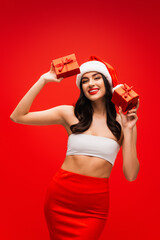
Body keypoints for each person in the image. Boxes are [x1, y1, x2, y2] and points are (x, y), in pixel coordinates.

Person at [10, 55, 140, 240]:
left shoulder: (123, 123)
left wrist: (129, 129)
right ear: (81, 88)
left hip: (94, 207)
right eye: (85, 80)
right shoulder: (69, 113)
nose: (90, 84)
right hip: (60, 198)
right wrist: (43, 80)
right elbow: (18, 116)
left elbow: (131, 174)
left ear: (107, 82)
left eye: (96, 77)